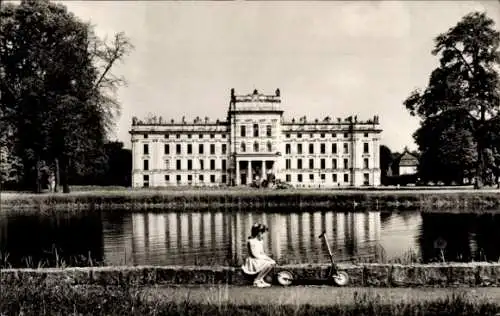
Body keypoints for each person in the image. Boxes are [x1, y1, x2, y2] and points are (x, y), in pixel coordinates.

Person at [241, 223, 276, 288]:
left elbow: (262, 253)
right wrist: (267, 259)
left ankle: (261, 279)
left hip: (258, 259)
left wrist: (269, 258)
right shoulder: (251, 241)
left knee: (272, 262)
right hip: (253, 261)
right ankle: (256, 280)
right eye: (263, 233)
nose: (264, 235)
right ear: (259, 233)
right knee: (269, 263)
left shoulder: (260, 241)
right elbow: (255, 255)